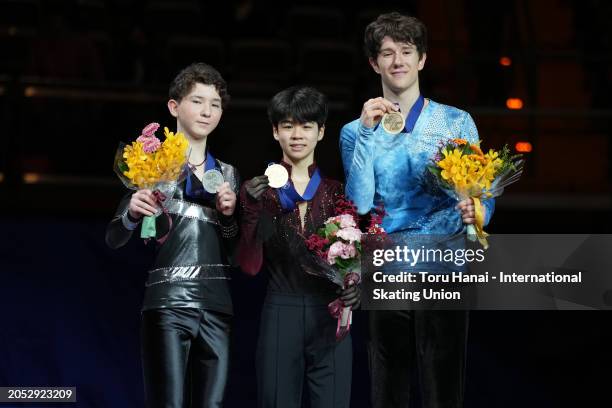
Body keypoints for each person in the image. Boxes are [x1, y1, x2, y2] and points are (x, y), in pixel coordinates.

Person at [340, 12, 495, 408]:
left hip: (444, 263)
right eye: (387, 54)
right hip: (387, 265)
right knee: (388, 389)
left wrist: (476, 213)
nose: (398, 61)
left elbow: (484, 194)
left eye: (407, 51)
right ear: (374, 63)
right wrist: (367, 135)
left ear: (422, 59)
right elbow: (358, 203)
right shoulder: (355, 130)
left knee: (444, 389)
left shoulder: (456, 121)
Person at [105, 63, 239, 408]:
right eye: (197, 101)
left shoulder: (228, 175)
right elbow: (115, 238)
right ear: (173, 107)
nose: (207, 111)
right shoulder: (149, 163)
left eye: (215, 104)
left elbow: (235, 249)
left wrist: (228, 217)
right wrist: (133, 212)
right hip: (167, 305)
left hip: (217, 306)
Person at [238, 86, 358, 408]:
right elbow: (249, 266)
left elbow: (355, 258)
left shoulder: (338, 193)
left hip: (330, 316)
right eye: (288, 125)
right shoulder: (258, 191)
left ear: (321, 132)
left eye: (306, 126)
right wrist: (249, 207)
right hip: (281, 313)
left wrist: (356, 285)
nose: (297, 135)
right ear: (275, 131)